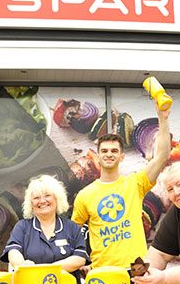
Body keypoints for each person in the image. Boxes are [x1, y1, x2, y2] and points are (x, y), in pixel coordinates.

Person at [72, 103, 171, 271]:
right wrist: (84, 263)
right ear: (97, 155)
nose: (109, 154)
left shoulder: (135, 183)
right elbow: (73, 235)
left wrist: (163, 117)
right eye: (104, 151)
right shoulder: (84, 195)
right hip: (102, 272)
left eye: (113, 151)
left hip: (137, 268)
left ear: (122, 156)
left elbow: (162, 156)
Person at [1, 175, 89, 284]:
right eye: (36, 197)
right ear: (31, 204)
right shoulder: (22, 227)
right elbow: (13, 252)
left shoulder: (71, 227)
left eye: (47, 196)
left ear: (57, 199)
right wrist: (22, 264)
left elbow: (79, 258)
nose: (42, 201)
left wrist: (45, 270)